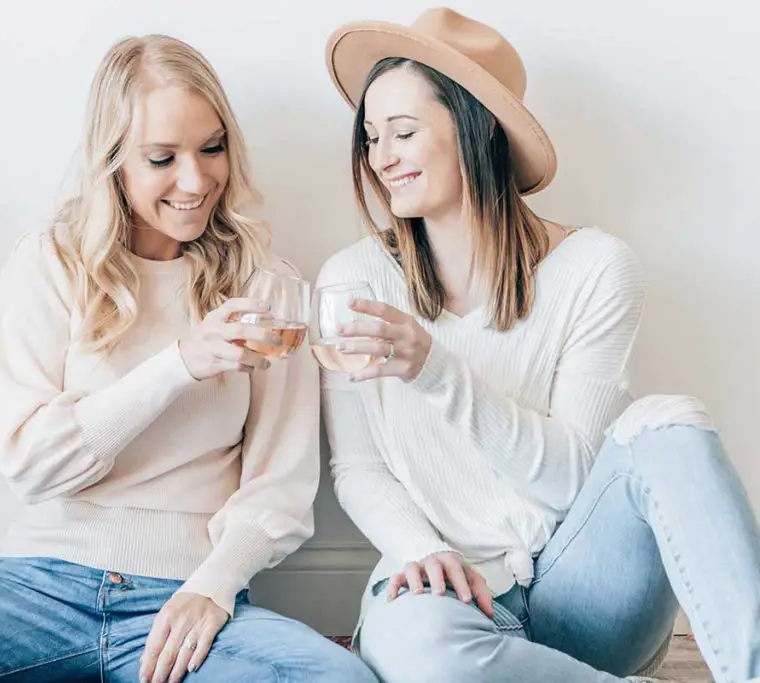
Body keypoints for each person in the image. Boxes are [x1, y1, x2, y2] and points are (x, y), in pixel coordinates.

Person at [0, 34, 376, 683]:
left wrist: (214, 586)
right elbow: (31, 465)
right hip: (36, 589)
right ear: (113, 160)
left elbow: (279, 487)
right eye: (162, 157)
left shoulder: (268, 289)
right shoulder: (49, 265)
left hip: (189, 598)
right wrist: (179, 364)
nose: (196, 180)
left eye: (212, 148)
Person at [317, 8, 760, 683]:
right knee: (423, 652)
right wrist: (416, 549)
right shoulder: (354, 281)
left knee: (668, 423)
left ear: (476, 130)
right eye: (372, 137)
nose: (382, 157)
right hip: (449, 595)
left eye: (403, 132)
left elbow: (570, 479)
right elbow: (358, 469)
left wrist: (437, 369)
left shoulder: (596, 268)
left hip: (587, 591)